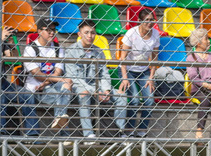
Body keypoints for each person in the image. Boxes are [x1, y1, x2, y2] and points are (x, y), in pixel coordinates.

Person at [64, 19, 128, 140]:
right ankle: (88, 135)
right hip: (80, 87)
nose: (90, 36)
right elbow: (74, 78)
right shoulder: (71, 51)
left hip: (98, 86)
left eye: (92, 33)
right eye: (86, 32)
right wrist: (94, 91)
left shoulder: (99, 51)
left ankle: (118, 132)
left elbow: (104, 74)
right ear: (79, 34)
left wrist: (106, 90)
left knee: (122, 96)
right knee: (85, 94)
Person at [22, 18, 72, 132]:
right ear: (39, 31)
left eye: (53, 30)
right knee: (64, 90)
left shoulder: (58, 48)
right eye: (48, 30)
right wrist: (61, 80)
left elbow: (58, 72)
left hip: (51, 85)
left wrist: (47, 82)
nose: (52, 33)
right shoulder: (30, 49)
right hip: (35, 89)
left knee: (65, 88)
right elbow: (36, 74)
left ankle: (58, 119)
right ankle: (64, 133)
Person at [119, 8, 160, 137]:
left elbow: (154, 58)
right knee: (135, 99)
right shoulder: (131, 33)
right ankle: (129, 130)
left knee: (149, 100)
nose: (149, 23)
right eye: (146, 20)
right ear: (140, 21)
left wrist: (151, 77)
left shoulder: (155, 34)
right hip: (128, 70)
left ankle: (142, 130)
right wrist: (125, 78)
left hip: (144, 71)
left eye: (151, 20)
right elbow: (122, 58)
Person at [186, 28, 211, 139]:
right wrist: (209, 86)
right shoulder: (192, 58)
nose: (209, 41)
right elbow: (193, 77)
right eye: (206, 39)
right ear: (198, 43)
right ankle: (199, 131)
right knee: (205, 100)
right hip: (199, 88)